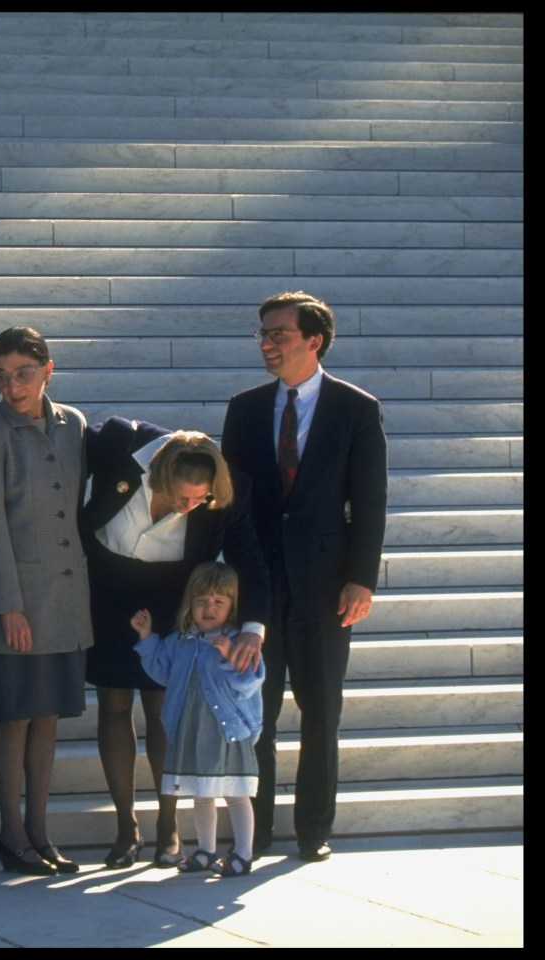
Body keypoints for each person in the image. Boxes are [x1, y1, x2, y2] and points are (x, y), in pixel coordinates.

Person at [221, 290, 387, 862]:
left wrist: (361, 579)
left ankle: (314, 829)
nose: (267, 344)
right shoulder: (244, 409)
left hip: (325, 587)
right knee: (255, 715)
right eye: (262, 334)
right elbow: (229, 502)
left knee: (321, 713)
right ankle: (256, 832)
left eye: (279, 335)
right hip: (259, 588)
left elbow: (370, 502)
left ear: (313, 340)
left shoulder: (356, 409)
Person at [81, 419, 270, 869]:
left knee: (166, 708)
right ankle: (127, 829)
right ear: (158, 472)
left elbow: (251, 561)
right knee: (113, 705)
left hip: (173, 597)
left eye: (198, 499)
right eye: (181, 496)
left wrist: (252, 628)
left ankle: (170, 827)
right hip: (108, 590)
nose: (189, 505)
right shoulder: (118, 446)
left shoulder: (227, 489)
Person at [0, 327, 90, 876]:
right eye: (1, 375)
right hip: (19, 600)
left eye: (24, 374)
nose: (12, 386)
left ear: (48, 370)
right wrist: (6, 606)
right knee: (15, 717)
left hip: (65, 596)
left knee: (47, 717)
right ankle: (10, 833)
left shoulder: (74, 424)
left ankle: (40, 831)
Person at [131, 562, 265, 877]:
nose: (209, 608)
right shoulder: (180, 640)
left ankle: (243, 853)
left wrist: (232, 657)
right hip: (191, 728)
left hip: (226, 731)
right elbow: (161, 671)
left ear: (232, 606)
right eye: (202, 601)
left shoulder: (237, 641)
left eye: (219, 602)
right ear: (190, 603)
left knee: (235, 793)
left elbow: (251, 682)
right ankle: (206, 850)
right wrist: (147, 638)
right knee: (202, 794)